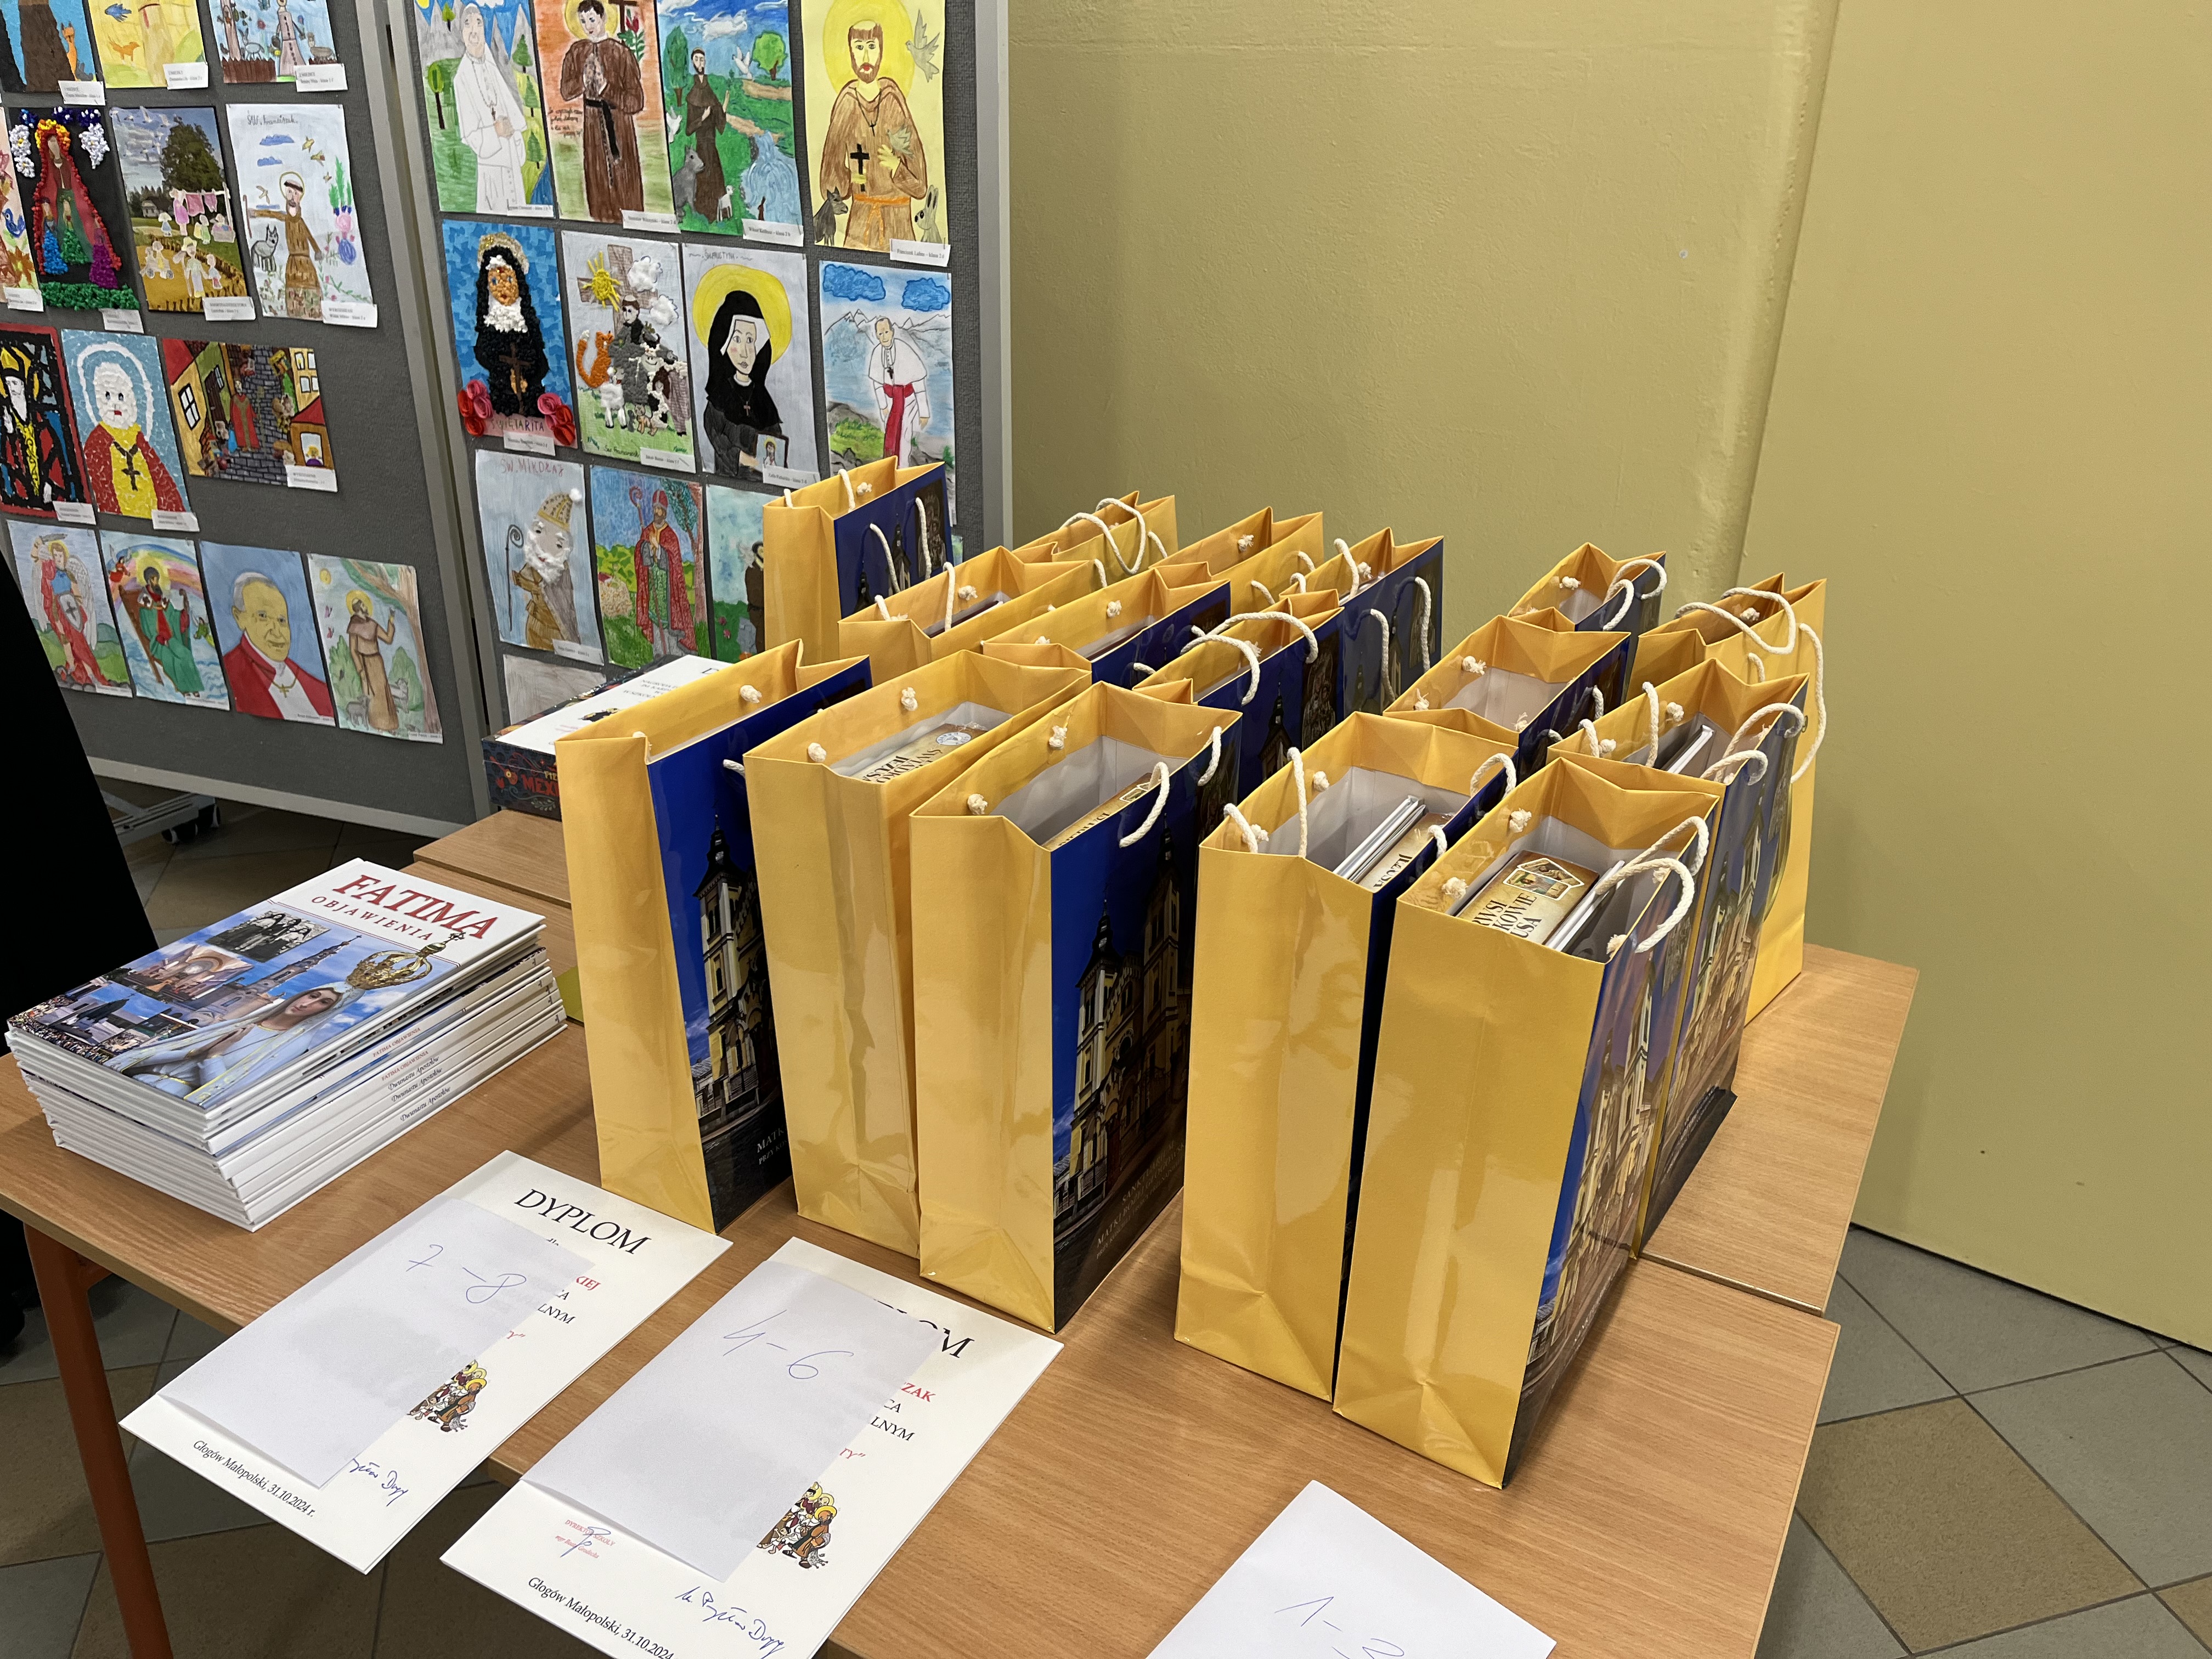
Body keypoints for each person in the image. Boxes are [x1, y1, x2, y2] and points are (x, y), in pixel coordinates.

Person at [118, 983, 354, 1098]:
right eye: (313, 995)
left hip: (171, 1099)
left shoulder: (286, 1047)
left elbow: (222, 1092)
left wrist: (214, 1056)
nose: (308, 1004)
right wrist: (196, 1051)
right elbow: (144, 1057)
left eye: (323, 1003)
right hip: (133, 1082)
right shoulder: (236, 1024)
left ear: (326, 1012)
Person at [816, 18, 927, 251]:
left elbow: (920, 186)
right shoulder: (846, 104)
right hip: (860, 223)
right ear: (850, 53)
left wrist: (897, 168)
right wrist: (848, 180)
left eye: (872, 47)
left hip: (898, 225)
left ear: (881, 50)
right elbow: (830, 180)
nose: (866, 57)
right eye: (859, 47)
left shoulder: (893, 100)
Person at [558, 0, 644, 223]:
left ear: (603, 18)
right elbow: (566, 91)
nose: (588, 26)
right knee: (598, 182)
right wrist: (583, 80)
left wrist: (607, 88)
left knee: (625, 181)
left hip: (619, 127)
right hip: (593, 127)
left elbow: (636, 101)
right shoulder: (577, 52)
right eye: (583, 21)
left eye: (592, 19)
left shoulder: (621, 53)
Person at [222, 568, 333, 722]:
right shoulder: (229, 672)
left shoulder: (318, 689)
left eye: (282, 621)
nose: (277, 632)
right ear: (239, 618)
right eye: (263, 616)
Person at [80, 357, 186, 517]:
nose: (115, 404)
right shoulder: (97, 442)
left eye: (121, 397)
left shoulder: (140, 440)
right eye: (107, 396)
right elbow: (98, 486)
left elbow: (162, 480)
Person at [454, 3, 529, 212]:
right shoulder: (462, 78)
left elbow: (510, 110)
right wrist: (496, 131)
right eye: (467, 24)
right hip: (491, 168)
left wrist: (513, 133)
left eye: (478, 23)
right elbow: (471, 135)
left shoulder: (492, 66)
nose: (474, 30)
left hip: (511, 161)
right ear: (462, 33)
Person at [701, 285, 781, 479]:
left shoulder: (763, 399)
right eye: (737, 339)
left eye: (750, 340)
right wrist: (742, 458)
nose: (745, 352)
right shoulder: (720, 396)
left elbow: (776, 441)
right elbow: (716, 435)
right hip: (729, 482)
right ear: (725, 344)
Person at [471, 230, 549, 419]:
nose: (503, 288)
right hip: (502, 400)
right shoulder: (491, 324)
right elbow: (482, 354)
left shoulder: (526, 324)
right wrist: (506, 373)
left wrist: (527, 377)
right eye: (495, 281)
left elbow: (541, 361)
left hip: (530, 398)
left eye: (509, 280)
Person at [0, 340, 74, 510]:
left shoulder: (43, 419)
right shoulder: (6, 419)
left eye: (15, 383)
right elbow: (9, 464)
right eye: (8, 383)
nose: (11, 388)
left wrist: (51, 483)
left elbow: (53, 454)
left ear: (24, 384)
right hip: (23, 493)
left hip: (47, 492)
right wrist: (11, 435)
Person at [511, 486, 583, 650]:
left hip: (555, 636)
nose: (544, 547)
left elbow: (564, 607)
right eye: (539, 532)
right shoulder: (534, 564)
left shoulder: (560, 573)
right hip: (534, 628)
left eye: (558, 545)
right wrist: (516, 579)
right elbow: (527, 582)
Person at [249, 170, 324, 321]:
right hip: (293, 262)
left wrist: (317, 251)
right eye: (290, 192)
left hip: (305, 262)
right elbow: (272, 214)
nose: (292, 196)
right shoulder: (287, 218)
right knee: (294, 290)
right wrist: (256, 213)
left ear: (300, 197)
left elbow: (309, 236)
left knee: (310, 289)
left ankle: (313, 313)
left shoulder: (300, 222)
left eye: (296, 193)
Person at [125, 563, 202, 696]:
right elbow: (147, 627)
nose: (156, 582)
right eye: (153, 579)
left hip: (171, 639)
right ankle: (184, 689)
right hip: (158, 643)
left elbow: (173, 617)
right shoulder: (145, 603)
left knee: (185, 654)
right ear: (149, 581)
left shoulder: (163, 601)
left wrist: (183, 615)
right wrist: (161, 639)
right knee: (173, 659)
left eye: (157, 579)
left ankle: (194, 687)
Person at [34, 534, 100, 687]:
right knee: (64, 640)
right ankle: (71, 666)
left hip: (71, 612)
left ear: (65, 556)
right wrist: (38, 544)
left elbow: (78, 595)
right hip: (58, 611)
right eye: (55, 555)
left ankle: (91, 674)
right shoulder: (50, 572)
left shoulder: (70, 575)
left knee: (79, 643)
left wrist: (76, 604)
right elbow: (35, 557)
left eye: (60, 555)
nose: (58, 558)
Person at [632, 489, 692, 653]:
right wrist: (645, 547)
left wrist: (658, 548)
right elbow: (640, 557)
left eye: (660, 509)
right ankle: (659, 654)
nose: (657, 512)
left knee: (668, 624)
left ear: (665, 512)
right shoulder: (647, 532)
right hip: (654, 590)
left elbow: (674, 564)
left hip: (668, 592)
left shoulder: (671, 536)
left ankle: (673, 654)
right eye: (655, 508)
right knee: (655, 623)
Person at [864, 315, 929, 465]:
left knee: (905, 433)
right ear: (877, 335)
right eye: (880, 334)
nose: (884, 337)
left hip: (908, 399)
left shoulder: (904, 350)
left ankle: (903, 467)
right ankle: (890, 465)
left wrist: (924, 412)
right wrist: (883, 406)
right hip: (890, 400)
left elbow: (919, 381)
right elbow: (877, 384)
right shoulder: (877, 353)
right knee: (890, 431)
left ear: (892, 332)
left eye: (886, 332)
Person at [680, 48, 727, 222]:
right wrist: (703, 118)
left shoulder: (710, 91)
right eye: (697, 59)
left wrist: (722, 110)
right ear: (693, 63)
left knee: (716, 176)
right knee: (703, 176)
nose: (700, 63)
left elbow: (719, 117)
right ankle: (704, 211)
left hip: (712, 143)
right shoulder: (692, 95)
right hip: (701, 144)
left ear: (705, 62)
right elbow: (689, 129)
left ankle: (718, 213)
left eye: (702, 59)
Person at [343, 589, 399, 732]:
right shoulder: (354, 626)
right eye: (363, 604)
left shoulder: (373, 624)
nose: (366, 606)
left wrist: (391, 620)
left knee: (383, 691)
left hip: (377, 662)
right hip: (365, 664)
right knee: (372, 695)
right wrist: (360, 670)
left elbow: (388, 638)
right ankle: (377, 724)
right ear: (358, 609)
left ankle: (389, 725)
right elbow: (353, 651)